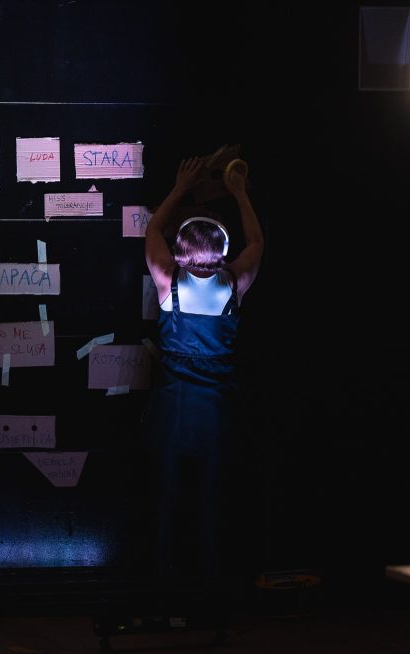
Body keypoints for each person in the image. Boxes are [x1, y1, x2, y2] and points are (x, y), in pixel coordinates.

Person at [141, 156, 264, 605]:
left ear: (181, 249)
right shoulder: (234, 285)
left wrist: (180, 187)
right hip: (217, 410)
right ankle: (213, 593)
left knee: (165, 498)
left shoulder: (166, 280)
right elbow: (257, 241)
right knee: (214, 499)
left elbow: (153, 231)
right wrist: (239, 193)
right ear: (221, 251)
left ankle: (160, 587)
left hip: (172, 410)